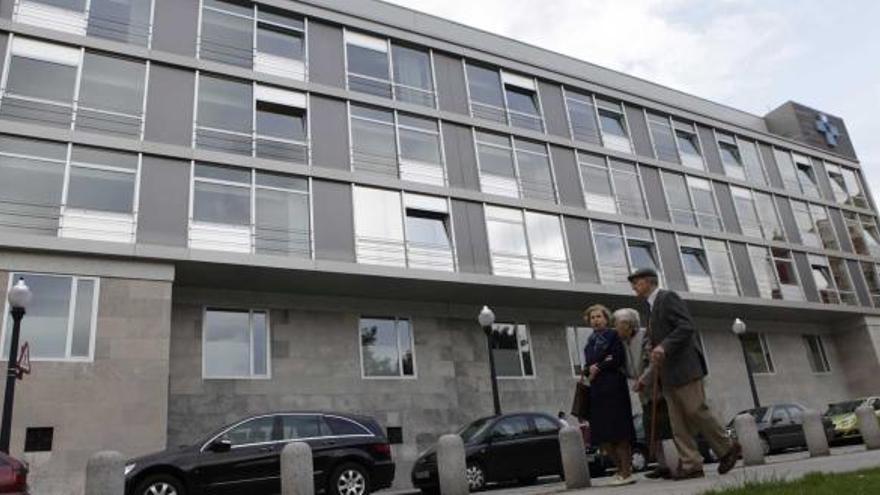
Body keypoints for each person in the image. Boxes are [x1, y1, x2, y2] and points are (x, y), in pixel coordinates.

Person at [628, 268, 741, 479]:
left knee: (697, 410)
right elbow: (654, 351)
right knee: (678, 423)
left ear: (648, 282)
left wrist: (665, 346)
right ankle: (691, 465)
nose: (633, 287)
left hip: (685, 369)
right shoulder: (650, 308)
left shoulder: (667, 298)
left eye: (636, 282)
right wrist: (646, 379)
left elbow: (686, 326)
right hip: (667, 376)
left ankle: (728, 448)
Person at [613, 307, 673, 479]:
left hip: (657, 389)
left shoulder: (645, 336)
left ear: (628, 325)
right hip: (644, 393)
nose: (615, 328)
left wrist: (642, 380)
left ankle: (676, 462)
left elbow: (653, 363)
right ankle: (663, 466)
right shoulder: (623, 342)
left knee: (667, 427)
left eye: (617, 324)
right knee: (652, 431)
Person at [582, 304, 636, 486]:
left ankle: (627, 472)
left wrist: (599, 366)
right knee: (602, 435)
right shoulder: (589, 341)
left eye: (599, 316)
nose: (596, 320)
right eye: (592, 318)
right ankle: (619, 469)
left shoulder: (613, 336)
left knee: (619, 431)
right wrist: (589, 368)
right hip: (597, 392)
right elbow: (588, 364)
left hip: (614, 389)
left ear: (606, 319)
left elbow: (617, 357)